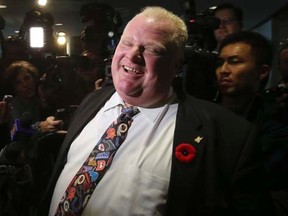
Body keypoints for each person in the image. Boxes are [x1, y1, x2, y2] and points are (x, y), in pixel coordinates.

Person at [39, 6, 274, 216]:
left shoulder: (228, 135)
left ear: (177, 64)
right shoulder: (94, 99)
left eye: (152, 49)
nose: (132, 55)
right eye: (127, 42)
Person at [215, 30, 288, 215]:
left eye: (235, 61)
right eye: (220, 62)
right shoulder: (200, 112)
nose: (223, 70)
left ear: (262, 72)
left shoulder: (275, 123)